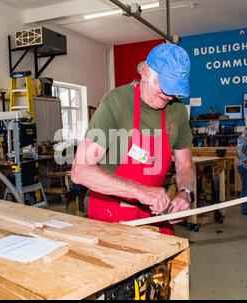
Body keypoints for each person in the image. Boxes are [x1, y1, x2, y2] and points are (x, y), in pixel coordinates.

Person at [71, 43, 194, 234]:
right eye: (164, 86)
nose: (169, 96)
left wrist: (185, 193)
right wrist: (139, 191)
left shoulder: (177, 111)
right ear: (145, 72)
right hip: (110, 214)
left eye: (174, 90)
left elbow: (184, 166)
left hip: (155, 213)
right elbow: (81, 171)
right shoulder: (116, 102)